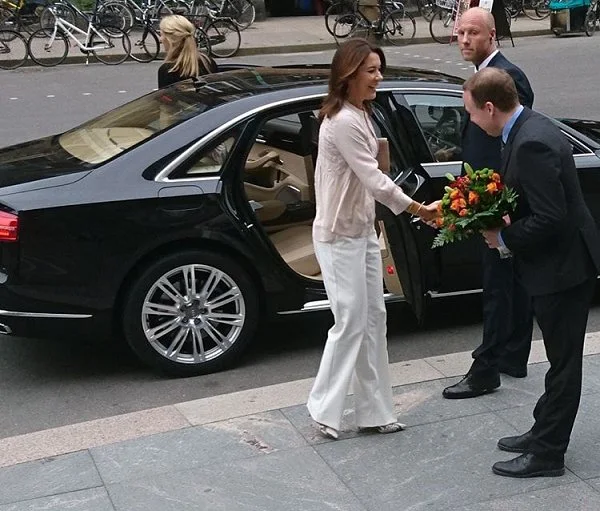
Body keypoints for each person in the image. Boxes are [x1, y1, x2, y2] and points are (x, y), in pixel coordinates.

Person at [467, 67, 600, 477]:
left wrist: (504, 239)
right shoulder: (526, 127)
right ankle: (543, 429)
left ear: (491, 108)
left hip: (564, 269)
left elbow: (552, 217)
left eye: (471, 113)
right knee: (561, 360)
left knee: (563, 365)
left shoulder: (531, 143)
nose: (470, 121)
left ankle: (547, 453)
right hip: (557, 265)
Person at [306, 38, 438, 440]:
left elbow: (372, 172)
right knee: (349, 321)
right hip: (338, 235)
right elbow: (376, 180)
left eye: (379, 69)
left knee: (373, 320)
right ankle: (322, 408)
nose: (379, 77)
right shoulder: (344, 120)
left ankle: (375, 412)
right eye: (371, 71)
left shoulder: (361, 114)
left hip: (361, 232)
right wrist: (419, 209)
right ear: (349, 75)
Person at [441, 7, 536, 400]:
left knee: (499, 287)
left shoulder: (508, 77)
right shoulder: (483, 75)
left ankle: (487, 370)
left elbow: (512, 141)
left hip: (497, 201)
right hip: (487, 196)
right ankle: (512, 356)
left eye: (473, 33)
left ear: (492, 35)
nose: (464, 40)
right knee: (510, 284)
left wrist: (490, 203)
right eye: (460, 33)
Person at [158, 15, 217, 89]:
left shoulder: (168, 70)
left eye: (161, 35)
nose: (160, 39)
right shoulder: (208, 62)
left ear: (171, 40)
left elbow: (166, 99)